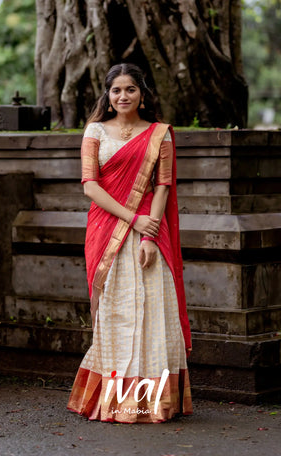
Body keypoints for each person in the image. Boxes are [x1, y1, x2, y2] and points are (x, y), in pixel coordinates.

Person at [67, 63, 192, 423]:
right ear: (107, 96)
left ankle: (151, 403)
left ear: (142, 94)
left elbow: (163, 185)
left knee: (154, 311)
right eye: (116, 90)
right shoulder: (95, 132)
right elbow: (90, 186)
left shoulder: (159, 134)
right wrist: (132, 218)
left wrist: (149, 233)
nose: (123, 96)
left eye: (130, 90)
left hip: (150, 229)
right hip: (108, 229)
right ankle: (115, 400)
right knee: (115, 313)